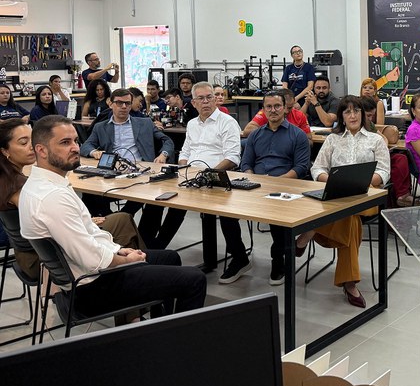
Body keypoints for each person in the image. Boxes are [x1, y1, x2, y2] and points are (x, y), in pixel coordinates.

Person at [19, 115, 206, 318]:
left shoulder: (45, 184)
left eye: (75, 140)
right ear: (41, 150)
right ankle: (179, 345)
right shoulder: (52, 197)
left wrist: (119, 249)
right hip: (90, 289)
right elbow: (92, 259)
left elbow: (89, 236)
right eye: (65, 142)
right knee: (194, 278)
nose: (74, 147)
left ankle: (159, 327)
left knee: (170, 257)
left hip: (86, 276)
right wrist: (126, 260)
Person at [0, 119, 147, 281]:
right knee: (122, 220)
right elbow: (49, 217)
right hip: (40, 258)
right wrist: (82, 219)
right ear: (5, 150)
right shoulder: (18, 186)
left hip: (33, 251)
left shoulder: (9, 179)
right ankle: (140, 271)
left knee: (116, 220)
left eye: (32, 139)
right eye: (23, 142)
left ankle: (139, 268)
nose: (31, 146)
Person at [295, 95, 390, 308]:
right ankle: (349, 283)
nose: (353, 115)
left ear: (364, 115)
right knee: (350, 220)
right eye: (347, 112)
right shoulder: (332, 139)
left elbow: (384, 172)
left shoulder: (376, 139)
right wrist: (333, 180)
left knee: (348, 213)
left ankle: (309, 232)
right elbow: (317, 168)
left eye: (356, 111)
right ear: (342, 117)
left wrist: (362, 183)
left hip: (367, 196)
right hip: (337, 195)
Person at [80, 89, 185, 249]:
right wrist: (95, 152)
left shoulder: (144, 123)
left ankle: (144, 243)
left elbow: (167, 141)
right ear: (110, 103)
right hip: (112, 174)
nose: (123, 106)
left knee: (155, 200)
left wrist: (163, 155)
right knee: (89, 194)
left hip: (141, 172)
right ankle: (110, 231)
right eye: (119, 103)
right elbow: (86, 145)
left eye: (127, 103)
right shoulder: (101, 127)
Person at [179, 82, 251, 284]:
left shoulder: (227, 122)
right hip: (191, 177)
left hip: (219, 177)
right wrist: (185, 169)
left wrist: (207, 174)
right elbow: (185, 152)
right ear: (193, 102)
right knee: (171, 204)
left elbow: (233, 157)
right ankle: (155, 251)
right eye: (201, 98)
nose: (206, 102)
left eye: (209, 97)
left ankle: (240, 259)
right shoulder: (192, 124)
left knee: (225, 214)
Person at [241, 91, 311, 285]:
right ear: (263, 110)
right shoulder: (255, 135)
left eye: (277, 106)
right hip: (257, 185)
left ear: (285, 109)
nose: (273, 110)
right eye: (269, 107)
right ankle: (239, 258)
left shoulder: (297, 135)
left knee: (277, 216)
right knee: (225, 214)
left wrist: (276, 182)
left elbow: (301, 168)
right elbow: (245, 163)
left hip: (286, 187)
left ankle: (278, 259)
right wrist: (253, 178)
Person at [361, 95, 415, 207]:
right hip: (366, 158)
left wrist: (382, 148)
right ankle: (401, 195)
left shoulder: (369, 124)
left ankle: (403, 194)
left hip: (377, 154)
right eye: (368, 115)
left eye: (372, 115)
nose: (371, 119)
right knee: (398, 162)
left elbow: (382, 138)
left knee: (402, 158)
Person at [242, 88, 311, 139]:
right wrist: (271, 133)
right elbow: (247, 131)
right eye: (280, 106)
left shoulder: (299, 115)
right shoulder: (268, 112)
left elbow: (309, 139)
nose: (286, 111)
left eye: (290, 108)